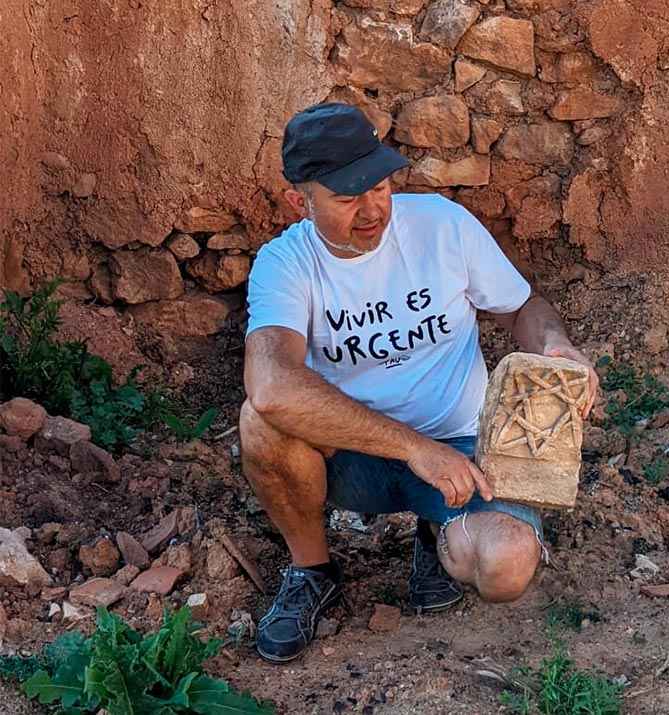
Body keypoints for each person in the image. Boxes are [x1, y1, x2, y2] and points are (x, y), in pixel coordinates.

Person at [240, 102, 599, 663]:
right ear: (299, 201)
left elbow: (523, 306)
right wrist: (413, 449)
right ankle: (312, 569)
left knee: (503, 570)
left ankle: (436, 534)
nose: (371, 210)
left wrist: (553, 345)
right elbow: (270, 384)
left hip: (463, 450)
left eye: (379, 187)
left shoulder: (442, 226)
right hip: (353, 455)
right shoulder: (285, 264)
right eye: (346, 197)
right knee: (260, 419)